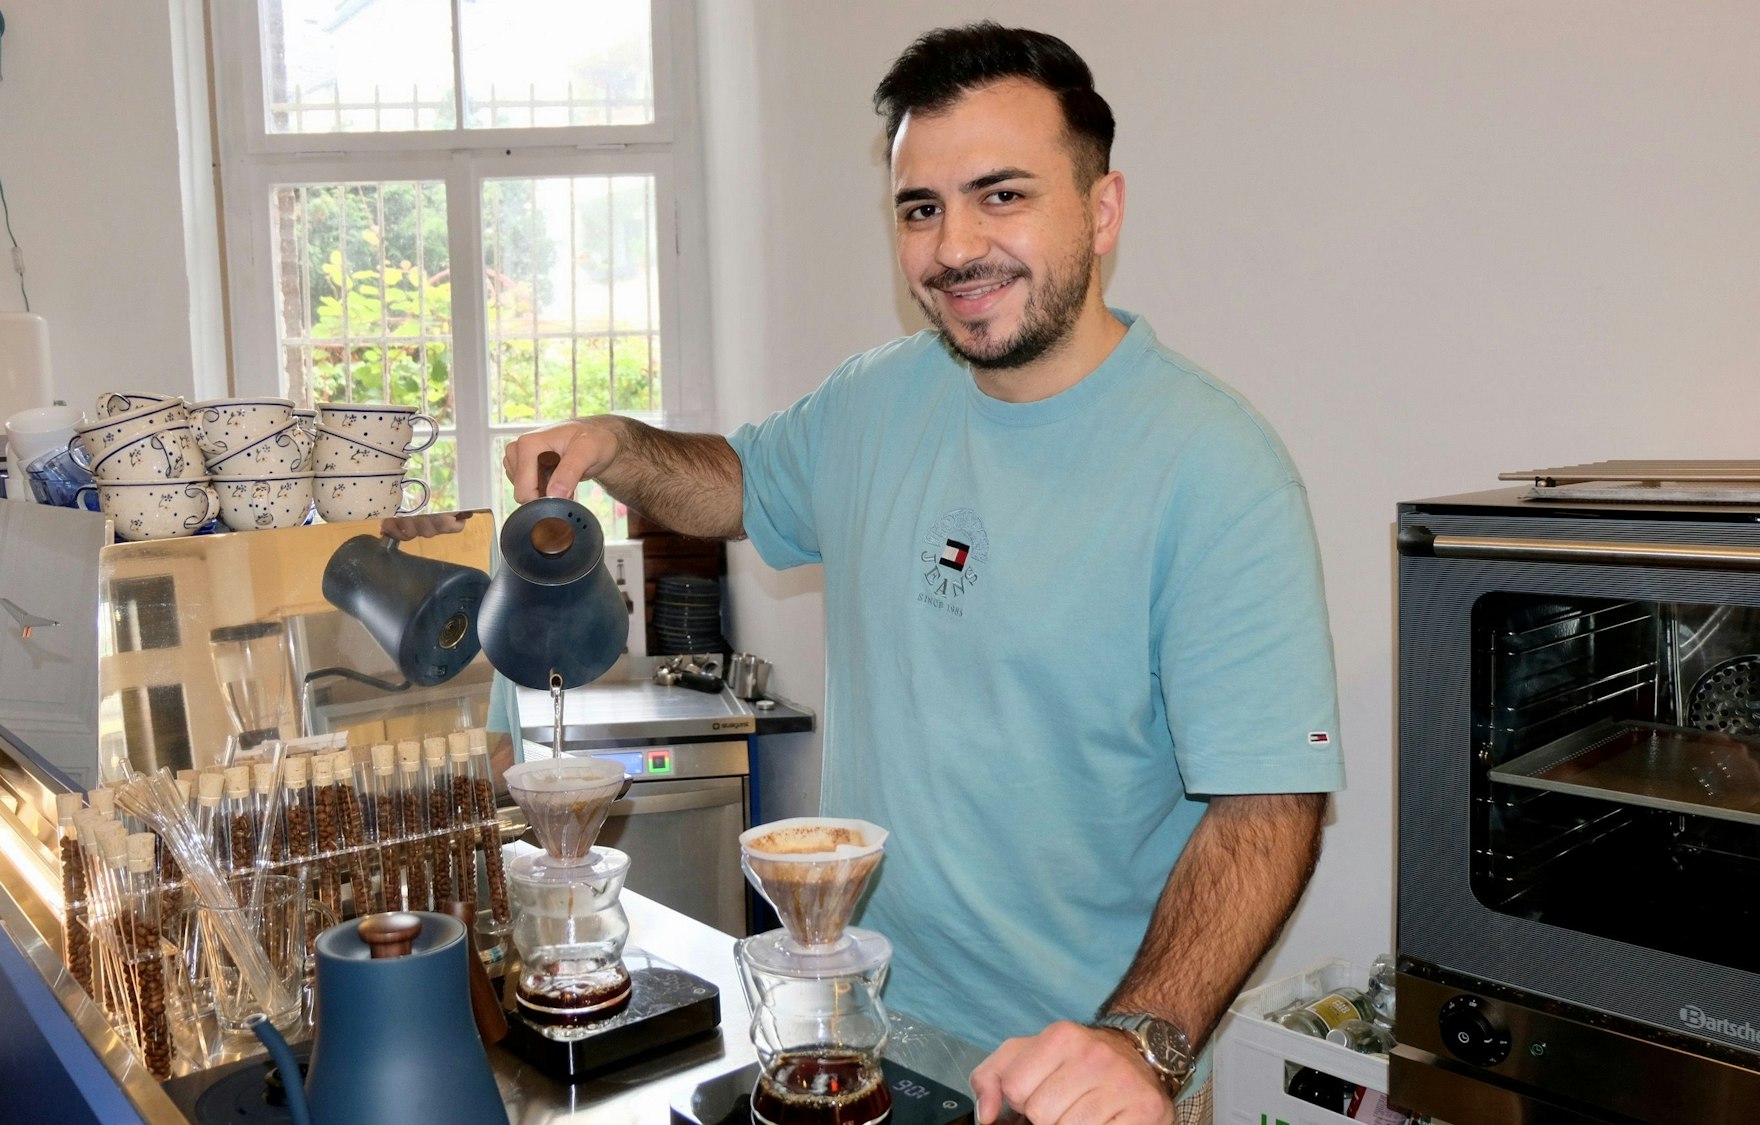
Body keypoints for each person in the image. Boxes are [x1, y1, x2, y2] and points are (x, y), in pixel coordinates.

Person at [483, 22, 1342, 1125]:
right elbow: (738, 484)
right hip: (855, 1029)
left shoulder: (1215, 467)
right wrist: (619, 444)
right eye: (920, 209)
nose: (954, 248)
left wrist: (1141, 1041)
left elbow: (1270, 806)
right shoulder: (876, 399)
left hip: (1069, 1072)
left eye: (1001, 195)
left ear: (1101, 209)